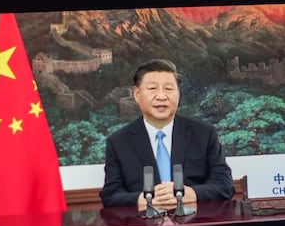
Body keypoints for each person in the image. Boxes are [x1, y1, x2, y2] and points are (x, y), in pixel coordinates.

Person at [100, 59, 235, 209]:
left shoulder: (204, 134)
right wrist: (144, 199)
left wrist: (191, 194)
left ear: (178, 94)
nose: (161, 96)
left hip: (195, 225)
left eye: (169, 89)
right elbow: (110, 195)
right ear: (137, 94)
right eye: (152, 88)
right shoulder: (119, 142)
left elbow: (225, 185)